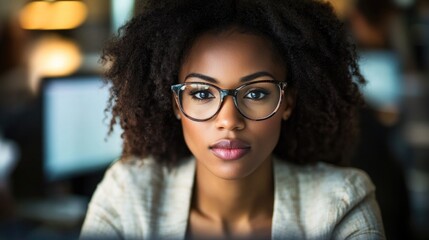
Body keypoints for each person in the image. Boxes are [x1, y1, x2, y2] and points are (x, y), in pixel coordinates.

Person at [80, 0, 385, 239]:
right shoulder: (127, 196)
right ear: (176, 103)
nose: (229, 120)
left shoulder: (341, 204)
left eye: (255, 94)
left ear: (287, 101)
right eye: (202, 94)